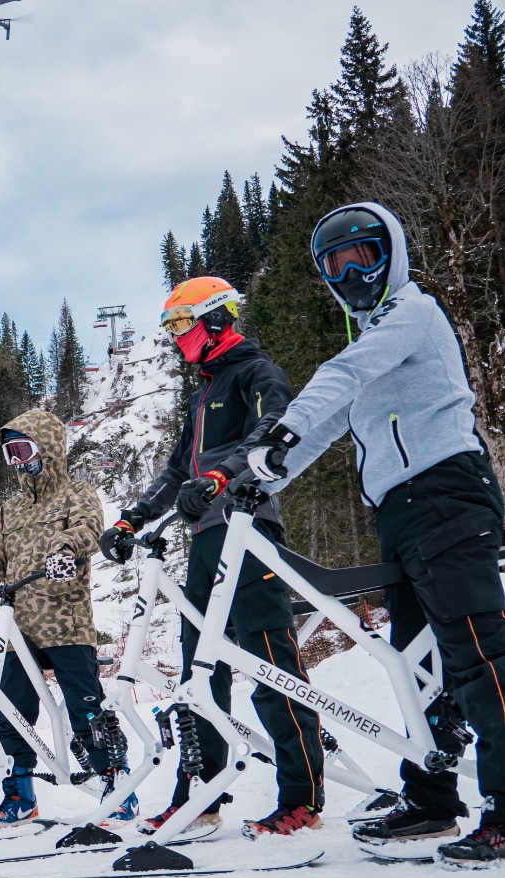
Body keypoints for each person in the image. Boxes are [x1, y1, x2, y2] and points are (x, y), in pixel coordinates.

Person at [247, 201, 505, 868]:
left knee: (479, 654)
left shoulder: (411, 313)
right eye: (336, 263)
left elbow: (341, 378)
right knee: (421, 668)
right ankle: (431, 797)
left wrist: (279, 429)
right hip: (402, 512)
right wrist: (260, 482)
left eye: (362, 256)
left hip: (449, 493)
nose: (350, 272)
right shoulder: (370, 343)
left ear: (390, 254)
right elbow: (332, 421)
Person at [100, 276, 324, 839]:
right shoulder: (202, 394)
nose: (176, 339)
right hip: (203, 539)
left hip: (249, 532)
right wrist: (132, 517)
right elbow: (178, 469)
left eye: (181, 325)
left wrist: (221, 473)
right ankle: (201, 794)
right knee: (200, 672)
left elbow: (275, 431)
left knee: (271, 663)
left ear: (216, 319)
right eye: (172, 328)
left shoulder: (257, 372)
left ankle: (303, 797)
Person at [0, 410, 134, 826]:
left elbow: (88, 530)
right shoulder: (11, 510)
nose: (18, 462)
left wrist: (66, 550)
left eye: (23, 449)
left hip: (65, 620)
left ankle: (119, 789)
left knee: (87, 710)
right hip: (19, 628)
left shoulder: (77, 493)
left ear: (48, 449)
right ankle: (20, 796)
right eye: (10, 453)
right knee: (12, 710)